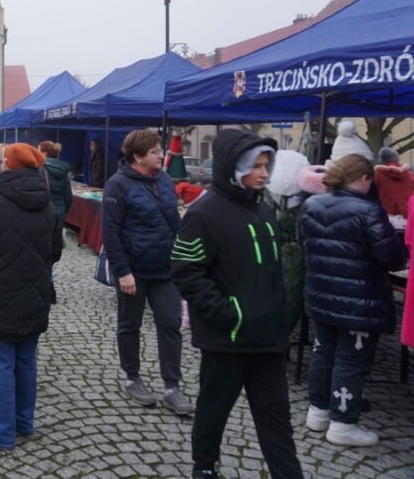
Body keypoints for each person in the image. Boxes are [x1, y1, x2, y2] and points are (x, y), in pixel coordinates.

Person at [172, 129, 303, 479]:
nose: (263, 173)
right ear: (233, 166)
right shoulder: (205, 213)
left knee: (278, 423)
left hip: (269, 341)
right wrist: (228, 315)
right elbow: (186, 271)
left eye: (266, 165)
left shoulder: (264, 208)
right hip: (227, 340)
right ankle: (204, 467)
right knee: (213, 410)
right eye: (255, 166)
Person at [297, 154, 407, 447]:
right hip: (359, 301)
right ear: (362, 179)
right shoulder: (368, 210)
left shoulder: (310, 204)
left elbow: (304, 243)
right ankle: (343, 425)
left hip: (321, 295)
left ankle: (317, 413)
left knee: (324, 353)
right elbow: (393, 257)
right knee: (351, 360)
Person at [0, 143, 63, 450]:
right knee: (26, 362)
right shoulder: (48, 207)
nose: (1, 165)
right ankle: (23, 422)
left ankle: (1, 432)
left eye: (4, 161)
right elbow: (54, 253)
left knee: (2, 363)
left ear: (10, 166)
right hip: (34, 294)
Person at [102, 130, 191, 415]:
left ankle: (171, 386)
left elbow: (174, 221)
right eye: (154, 151)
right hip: (134, 271)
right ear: (138, 156)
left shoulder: (164, 180)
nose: (161, 155)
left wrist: (184, 257)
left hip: (165, 269)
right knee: (130, 325)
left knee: (170, 323)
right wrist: (123, 271)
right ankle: (132, 378)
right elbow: (111, 233)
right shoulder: (117, 185)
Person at [373, 146, 413, 215]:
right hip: (409, 211)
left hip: (388, 213)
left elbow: (372, 193)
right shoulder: (408, 173)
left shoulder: (377, 174)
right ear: (396, 158)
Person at [39, 140, 73, 220]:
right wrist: (62, 211)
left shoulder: (40, 170)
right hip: (60, 213)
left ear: (44, 154)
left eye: (38, 151)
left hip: (44, 213)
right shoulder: (63, 171)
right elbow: (68, 198)